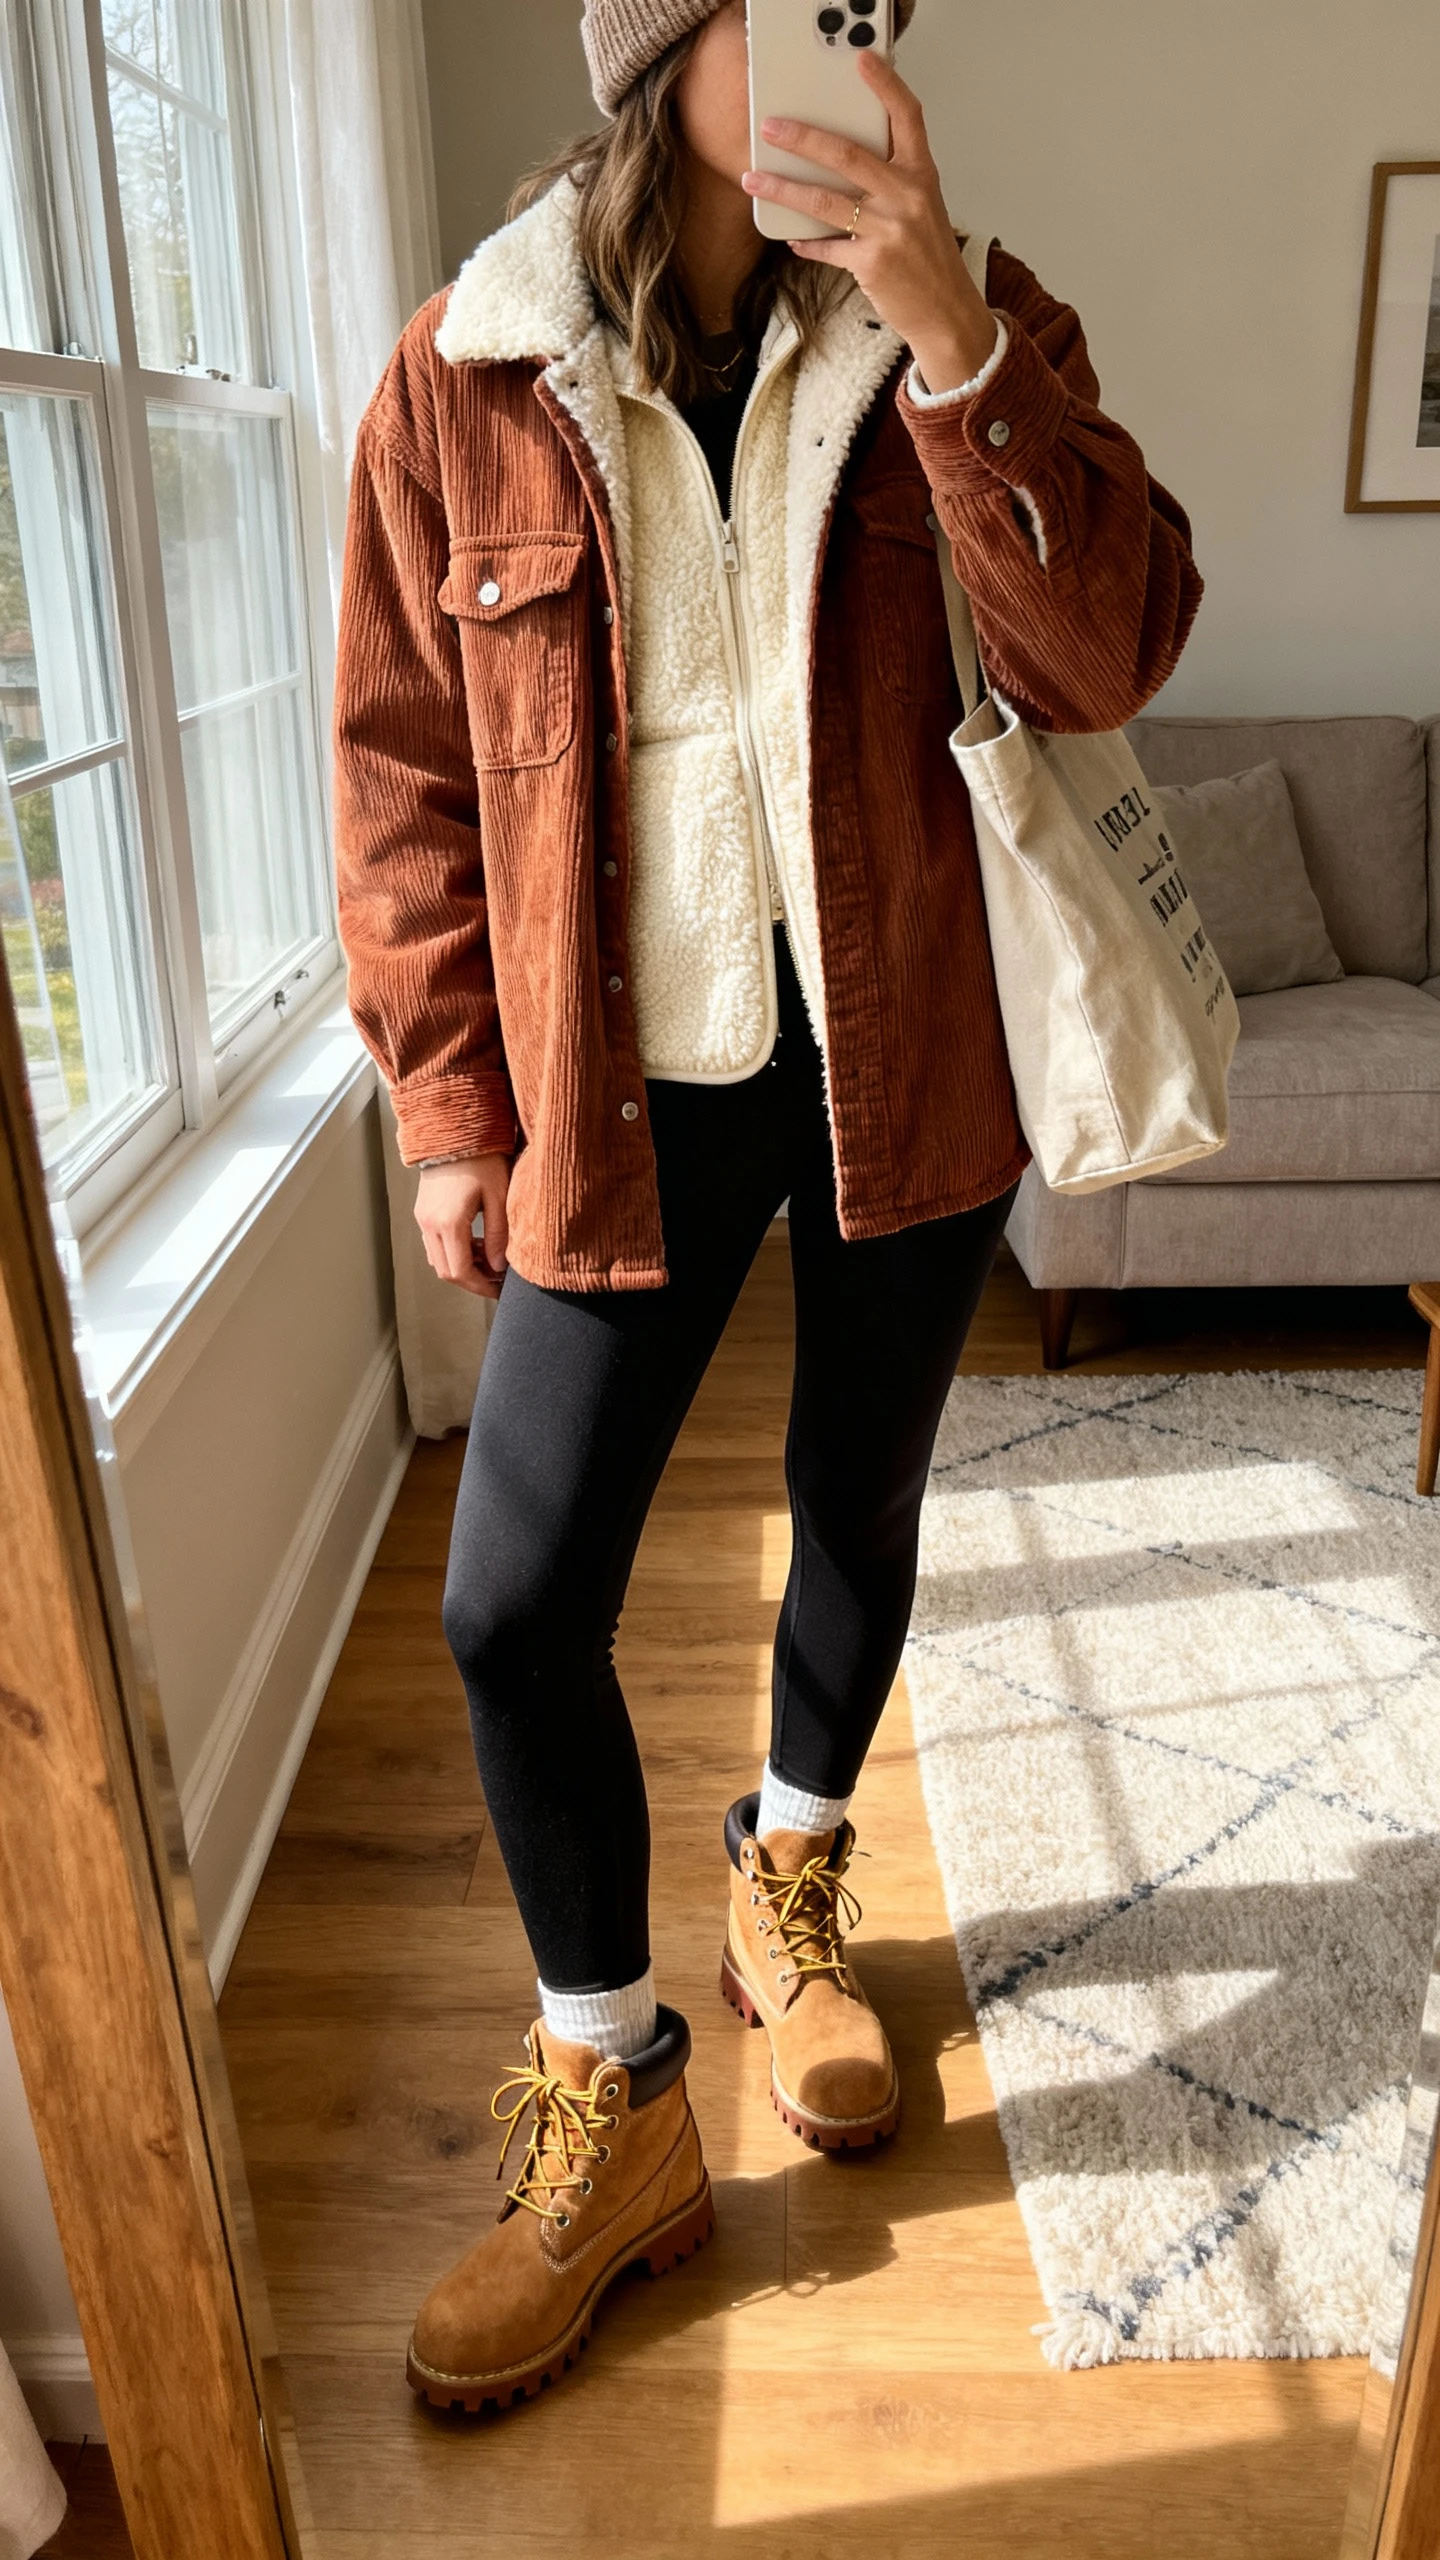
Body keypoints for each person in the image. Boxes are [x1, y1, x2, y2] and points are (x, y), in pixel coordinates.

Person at [333, 0, 1202, 2414]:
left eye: (875, 7)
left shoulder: (969, 311)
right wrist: (443, 1101)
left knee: (859, 1492)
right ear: (661, 38)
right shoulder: (466, 370)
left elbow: (1119, 643)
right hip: (626, 1079)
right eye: (801, 2)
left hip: (907, 1033)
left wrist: (956, 348)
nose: (859, 35)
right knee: (512, 1599)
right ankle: (609, 2092)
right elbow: (404, 761)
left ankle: (789, 1873)